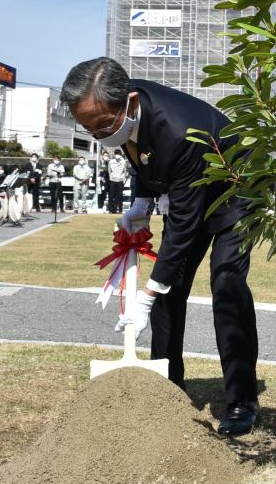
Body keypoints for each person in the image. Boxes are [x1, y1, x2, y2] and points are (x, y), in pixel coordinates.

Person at [61, 56, 258, 435]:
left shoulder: (178, 130)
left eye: (102, 126)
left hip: (237, 192)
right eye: (89, 129)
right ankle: (167, 389)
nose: (99, 135)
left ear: (130, 102)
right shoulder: (116, 106)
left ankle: (242, 401)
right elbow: (141, 154)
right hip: (190, 189)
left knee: (226, 282)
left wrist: (146, 295)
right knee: (171, 291)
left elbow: (183, 227)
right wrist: (141, 201)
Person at [106, 149, 128, 214]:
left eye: (118, 154)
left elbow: (125, 171)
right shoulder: (111, 161)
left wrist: (123, 179)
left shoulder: (123, 162)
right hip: (112, 180)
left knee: (120, 196)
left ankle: (120, 209)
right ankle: (111, 209)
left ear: (121, 155)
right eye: (116, 154)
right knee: (111, 195)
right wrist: (111, 177)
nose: (117, 155)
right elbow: (109, 171)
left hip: (120, 180)